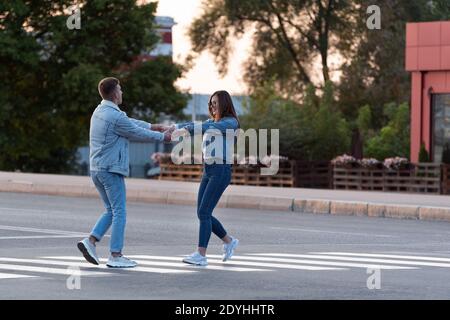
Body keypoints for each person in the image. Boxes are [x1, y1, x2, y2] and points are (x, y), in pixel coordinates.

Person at [77, 77, 171, 268]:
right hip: (111, 169)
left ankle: (91, 241)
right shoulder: (115, 116)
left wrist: (154, 126)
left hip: (97, 169)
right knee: (120, 212)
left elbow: (130, 122)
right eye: (120, 90)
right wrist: (163, 136)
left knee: (111, 210)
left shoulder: (100, 111)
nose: (122, 93)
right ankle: (116, 255)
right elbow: (136, 132)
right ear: (114, 94)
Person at [165, 90, 240, 266]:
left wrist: (184, 130)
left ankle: (201, 255)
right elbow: (195, 123)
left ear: (224, 104)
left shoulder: (230, 123)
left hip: (221, 170)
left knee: (205, 213)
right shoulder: (212, 121)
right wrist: (174, 127)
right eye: (211, 103)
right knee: (202, 213)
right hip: (208, 169)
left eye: (216, 103)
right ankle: (229, 241)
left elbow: (204, 127)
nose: (212, 106)